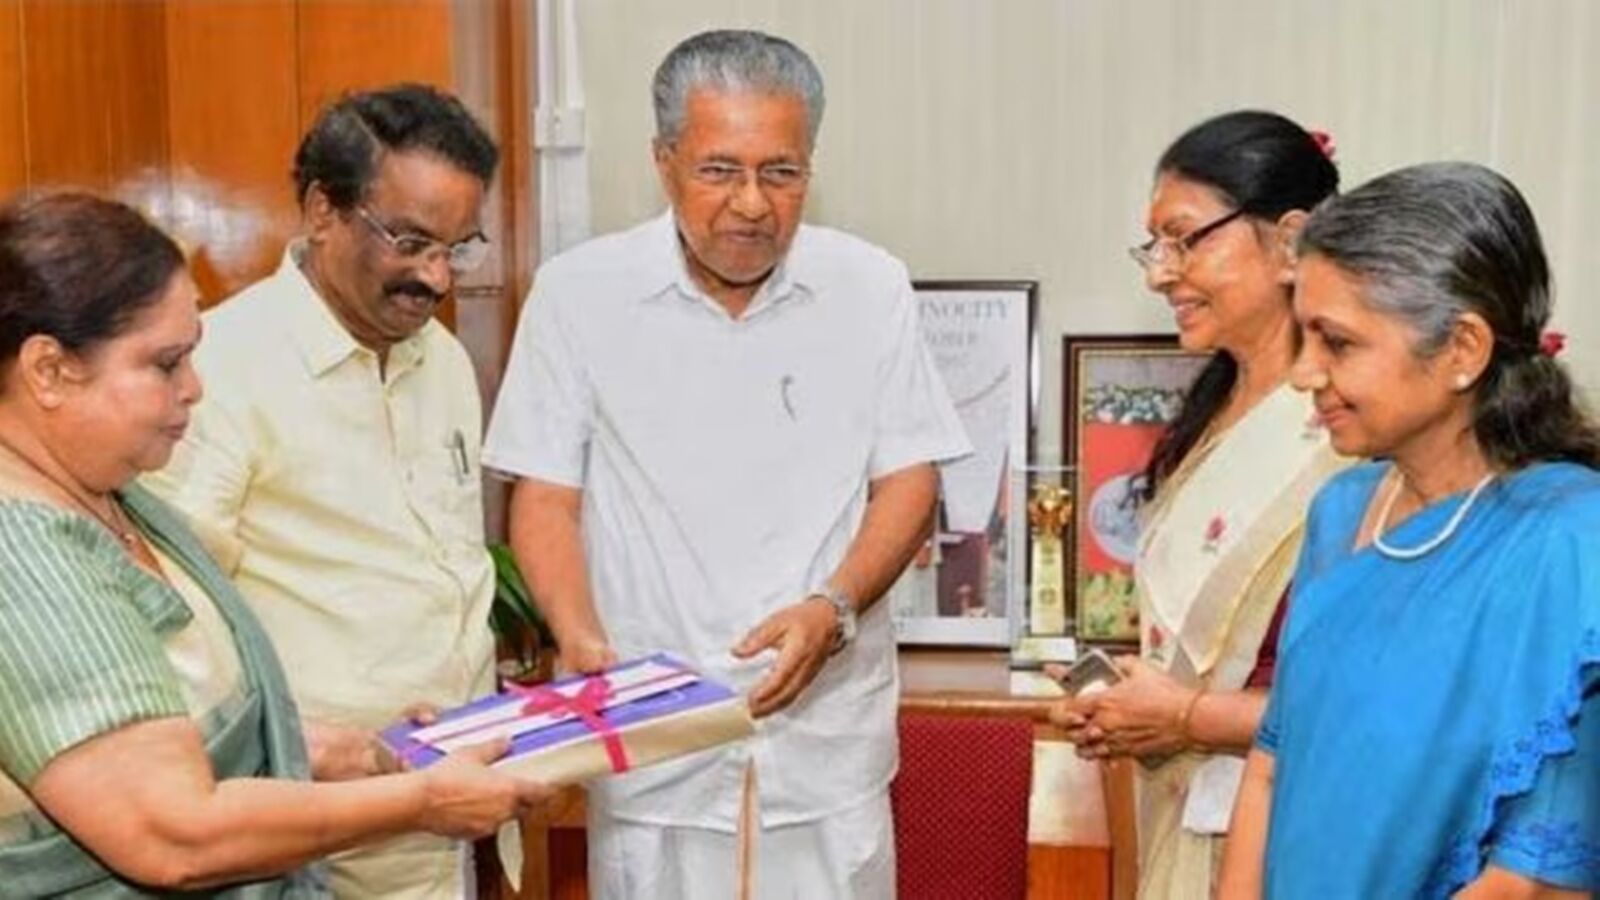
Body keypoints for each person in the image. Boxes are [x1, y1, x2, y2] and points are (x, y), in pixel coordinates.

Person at [483, 29, 969, 899]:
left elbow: (909, 479)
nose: (752, 203)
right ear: (664, 162)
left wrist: (834, 607)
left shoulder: (870, 286)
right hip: (655, 745)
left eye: (781, 172)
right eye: (719, 170)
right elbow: (546, 495)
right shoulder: (578, 293)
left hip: (824, 746)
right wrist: (579, 638)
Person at [0, 192, 546, 898]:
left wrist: (344, 751)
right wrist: (420, 803)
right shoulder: (25, 557)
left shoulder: (104, 492)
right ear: (48, 370)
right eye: (166, 364)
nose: (195, 389)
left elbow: (172, 732)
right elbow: (173, 834)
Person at [146, 83, 505, 898]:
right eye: (411, 241)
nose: (436, 277)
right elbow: (168, 622)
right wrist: (299, 744)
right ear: (321, 211)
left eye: (459, 248)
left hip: (443, 816)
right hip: (311, 834)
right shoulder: (217, 371)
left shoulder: (442, 359)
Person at [1217, 162, 1600, 898]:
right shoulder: (1342, 511)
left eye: (1336, 343)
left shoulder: (1571, 543)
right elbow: (1273, 763)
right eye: (1302, 337)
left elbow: (1536, 879)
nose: (1303, 374)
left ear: (1462, 349)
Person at [1048, 110, 1347, 898]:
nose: (1160, 273)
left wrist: (1185, 716)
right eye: (1154, 246)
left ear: (1290, 240)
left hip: (1291, 829)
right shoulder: (1210, 414)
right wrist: (1125, 704)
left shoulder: (1352, 429)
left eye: (1184, 240)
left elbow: (1374, 699)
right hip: (1182, 810)